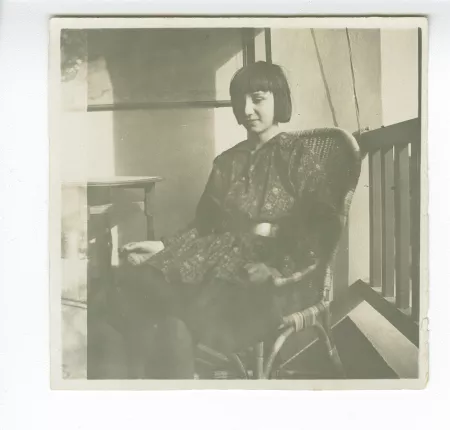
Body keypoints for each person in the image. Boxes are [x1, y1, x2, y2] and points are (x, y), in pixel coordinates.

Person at [102, 61, 343, 379]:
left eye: (258, 99)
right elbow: (203, 224)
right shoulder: (227, 161)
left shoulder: (298, 156)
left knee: (179, 315)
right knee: (133, 288)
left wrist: (277, 270)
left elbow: (320, 226)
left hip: (266, 272)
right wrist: (161, 246)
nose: (247, 109)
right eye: (241, 101)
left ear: (279, 100)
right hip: (212, 258)